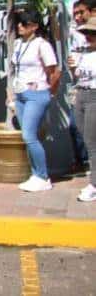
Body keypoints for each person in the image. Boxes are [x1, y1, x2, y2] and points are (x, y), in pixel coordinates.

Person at [10, 11, 60, 192]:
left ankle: (43, 176)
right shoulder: (17, 44)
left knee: (29, 136)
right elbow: (15, 70)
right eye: (19, 23)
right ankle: (36, 173)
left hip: (37, 92)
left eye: (24, 23)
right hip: (21, 92)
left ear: (34, 26)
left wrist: (49, 91)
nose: (20, 26)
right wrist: (12, 94)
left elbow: (54, 71)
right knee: (28, 135)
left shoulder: (42, 44)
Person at [68, 16, 96, 202]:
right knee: (86, 140)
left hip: (94, 95)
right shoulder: (83, 53)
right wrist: (73, 67)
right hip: (81, 95)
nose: (88, 37)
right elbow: (77, 78)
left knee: (92, 142)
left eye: (92, 33)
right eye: (86, 33)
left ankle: (94, 184)